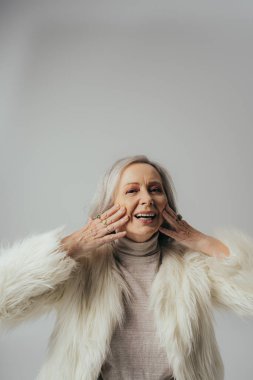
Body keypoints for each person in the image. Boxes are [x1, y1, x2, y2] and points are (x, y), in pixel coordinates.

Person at [0, 154, 253, 380]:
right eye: (132, 191)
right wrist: (73, 245)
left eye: (155, 189)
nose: (147, 199)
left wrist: (201, 241)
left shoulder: (192, 268)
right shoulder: (80, 267)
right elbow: (4, 299)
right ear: (110, 206)